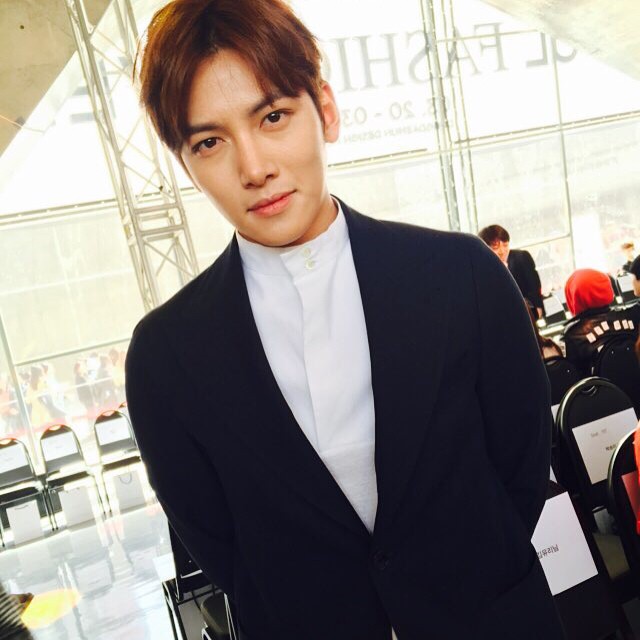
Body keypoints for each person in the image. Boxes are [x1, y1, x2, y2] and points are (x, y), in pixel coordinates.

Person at [125, 2, 562, 638]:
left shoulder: (460, 274)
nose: (254, 168)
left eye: (273, 116)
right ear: (186, 163)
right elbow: (221, 547)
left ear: (325, 109)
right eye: (210, 142)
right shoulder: (167, 356)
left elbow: (520, 466)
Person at [562, 269, 637, 376]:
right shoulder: (631, 315)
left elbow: (575, 377)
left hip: (603, 386)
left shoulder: (573, 335)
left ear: (573, 297)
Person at [478, 224, 544, 318]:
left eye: (505, 245)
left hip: (526, 311)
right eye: (496, 248)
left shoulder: (521, 257)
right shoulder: (482, 269)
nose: (502, 251)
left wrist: (538, 307)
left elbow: (534, 284)